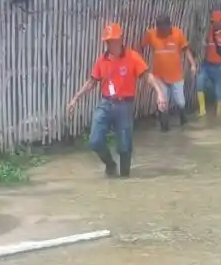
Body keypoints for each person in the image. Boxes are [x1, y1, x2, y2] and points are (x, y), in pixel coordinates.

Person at [67, 23, 168, 178]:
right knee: (95, 141)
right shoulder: (102, 60)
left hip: (125, 105)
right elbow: (92, 82)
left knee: (124, 147)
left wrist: (160, 93)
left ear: (121, 39)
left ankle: (125, 181)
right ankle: (110, 164)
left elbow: (147, 76)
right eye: (108, 41)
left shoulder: (133, 57)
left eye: (113, 40)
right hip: (106, 103)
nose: (110, 43)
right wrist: (75, 99)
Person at [140, 14, 196, 131]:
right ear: (157, 27)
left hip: (176, 76)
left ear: (169, 26)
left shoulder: (178, 33)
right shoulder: (151, 34)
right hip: (159, 77)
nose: (163, 32)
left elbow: (186, 49)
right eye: (160, 29)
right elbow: (141, 47)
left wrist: (193, 64)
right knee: (162, 103)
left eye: (165, 29)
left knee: (180, 102)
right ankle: (164, 129)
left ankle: (183, 122)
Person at [196, 10, 221, 119]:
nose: (213, 24)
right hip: (207, 65)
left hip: (220, 68)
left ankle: (218, 114)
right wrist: (202, 41)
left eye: (215, 22)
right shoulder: (210, 33)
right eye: (212, 22)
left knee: (218, 92)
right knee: (199, 84)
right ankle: (202, 110)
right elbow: (205, 44)